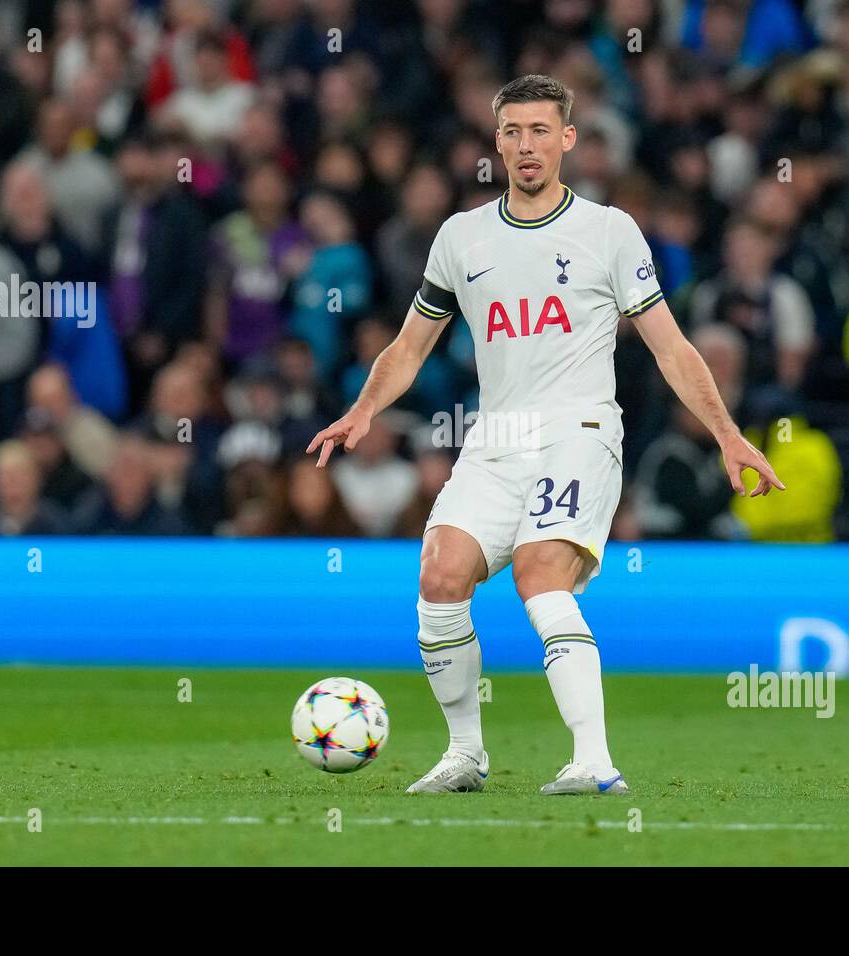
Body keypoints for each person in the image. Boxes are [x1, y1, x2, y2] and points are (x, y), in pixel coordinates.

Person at [307, 75, 783, 797]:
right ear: (495, 142)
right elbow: (408, 348)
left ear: (567, 139)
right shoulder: (461, 237)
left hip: (581, 430)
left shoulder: (609, 230)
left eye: (540, 131)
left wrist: (729, 436)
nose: (525, 146)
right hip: (496, 439)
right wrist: (364, 409)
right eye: (512, 132)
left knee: (538, 572)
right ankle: (466, 753)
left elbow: (672, 347)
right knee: (439, 573)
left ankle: (593, 759)